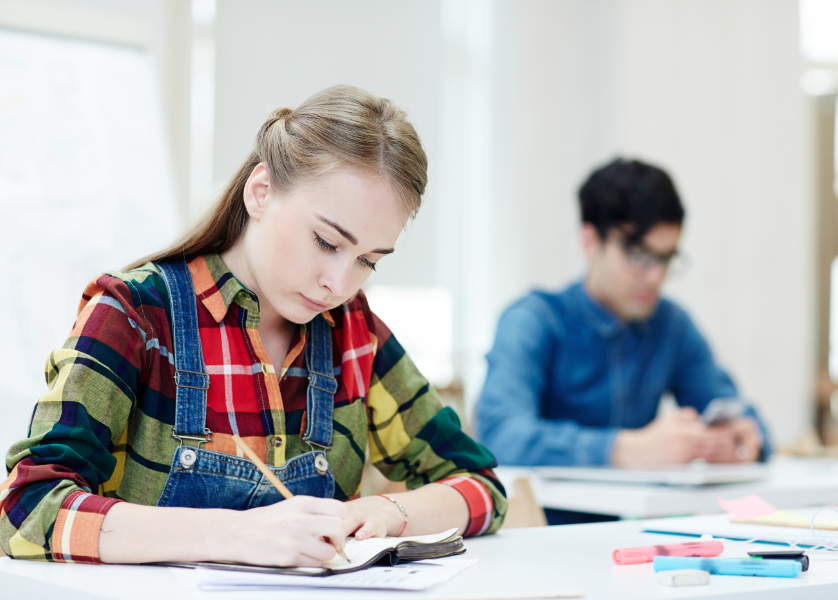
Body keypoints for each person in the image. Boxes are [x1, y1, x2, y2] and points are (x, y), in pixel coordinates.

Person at [0, 85, 506, 566]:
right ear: (261, 191)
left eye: (368, 260)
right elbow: (24, 510)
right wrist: (239, 535)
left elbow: (481, 486)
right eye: (327, 242)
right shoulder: (133, 312)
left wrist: (384, 513)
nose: (338, 282)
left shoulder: (355, 332)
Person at [477, 158, 770, 523]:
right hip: (541, 540)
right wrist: (626, 449)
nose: (655, 276)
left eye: (666, 258)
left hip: (642, 540)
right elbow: (499, 436)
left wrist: (743, 440)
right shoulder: (533, 320)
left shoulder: (672, 325)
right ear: (590, 240)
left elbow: (739, 414)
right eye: (639, 255)